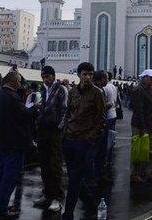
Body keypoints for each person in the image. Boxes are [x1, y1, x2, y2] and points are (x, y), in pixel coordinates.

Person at [61, 62, 106, 220]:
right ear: (79, 75)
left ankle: (68, 213)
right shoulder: (72, 92)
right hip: (69, 139)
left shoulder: (97, 93)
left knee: (74, 179)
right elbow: (68, 114)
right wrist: (64, 134)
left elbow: (101, 120)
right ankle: (91, 204)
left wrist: (89, 139)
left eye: (90, 74)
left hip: (83, 140)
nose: (88, 77)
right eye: (85, 74)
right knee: (76, 177)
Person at [0, 71, 32, 219]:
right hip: (14, 143)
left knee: (0, 175)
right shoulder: (13, 98)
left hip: (2, 141)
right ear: (13, 82)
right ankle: (0, 208)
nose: (20, 84)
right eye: (19, 82)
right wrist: (33, 109)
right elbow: (24, 115)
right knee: (9, 178)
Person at [33, 65, 67, 212]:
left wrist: (60, 128)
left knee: (54, 164)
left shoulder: (61, 90)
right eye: (43, 77)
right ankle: (47, 194)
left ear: (53, 76)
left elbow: (65, 110)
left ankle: (57, 198)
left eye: (47, 76)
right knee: (45, 164)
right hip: (43, 130)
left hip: (54, 132)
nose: (45, 79)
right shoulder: (44, 90)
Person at [130, 69, 152, 183]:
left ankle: (151, 172)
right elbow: (138, 111)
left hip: (150, 126)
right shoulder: (138, 90)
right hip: (141, 127)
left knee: (150, 150)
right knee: (139, 150)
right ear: (146, 78)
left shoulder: (151, 90)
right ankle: (135, 173)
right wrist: (142, 128)